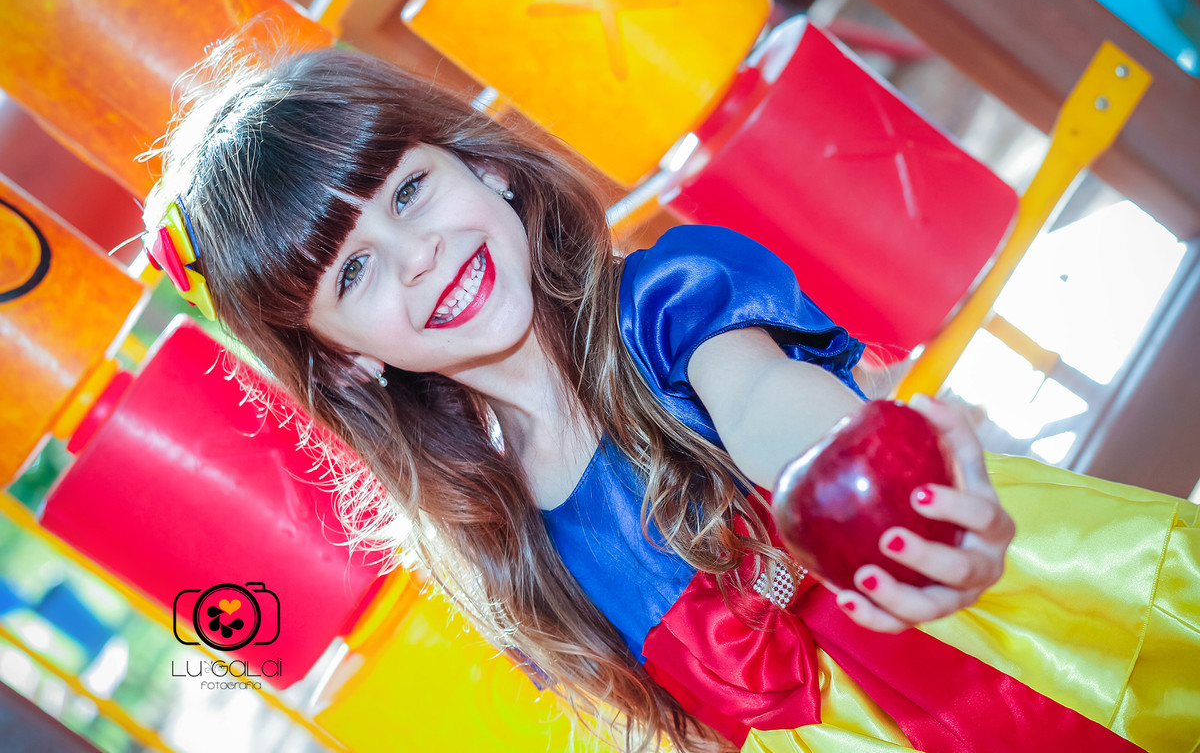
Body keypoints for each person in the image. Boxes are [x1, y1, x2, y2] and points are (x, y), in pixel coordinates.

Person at [143, 44, 1198, 753]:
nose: (419, 257)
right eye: (355, 272)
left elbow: (775, 409)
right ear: (342, 360)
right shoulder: (500, 546)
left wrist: (887, 496)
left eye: (410, 190)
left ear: (482, 167)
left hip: (1027, 642)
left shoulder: (670, 304)